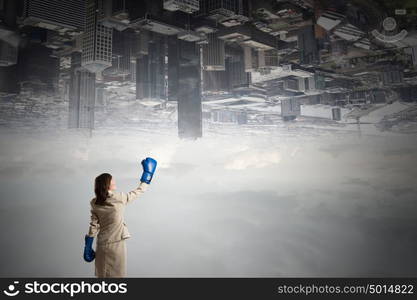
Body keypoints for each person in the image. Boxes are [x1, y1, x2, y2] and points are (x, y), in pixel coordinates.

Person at [83, 157, 157, 278]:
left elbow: (93, 226)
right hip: (116, 245)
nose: (114, 181)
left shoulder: (94, 203)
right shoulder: (120, 198)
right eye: (112, 180)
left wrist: (87, 246)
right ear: (108, 184)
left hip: (101, 245)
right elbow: (139, 191)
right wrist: (148, 174)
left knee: (102, 277)